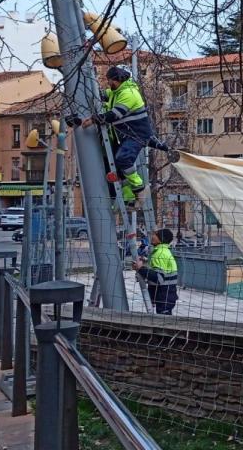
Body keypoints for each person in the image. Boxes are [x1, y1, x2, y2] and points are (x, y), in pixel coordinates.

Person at [81, 66, 167, 204]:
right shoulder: (116, 92)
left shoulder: (129, 93)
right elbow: (101, 95)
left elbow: (115, 114)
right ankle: (130, 200)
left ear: (116, 80)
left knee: (123, 159)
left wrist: (93, 119)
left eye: (109, 80)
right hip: (127, 136)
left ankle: (140, 188)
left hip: (136, 135)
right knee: (120, 169)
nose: (108, 83)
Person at [132, 228, 179, 315]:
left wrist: (141, 268)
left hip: (164, 297)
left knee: (163, 324)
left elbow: (159, 278)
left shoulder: (159, 254)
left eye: (156, 235)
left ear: (162, 238)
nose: (153, 236)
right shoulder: (164, 251)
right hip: (167, 296)